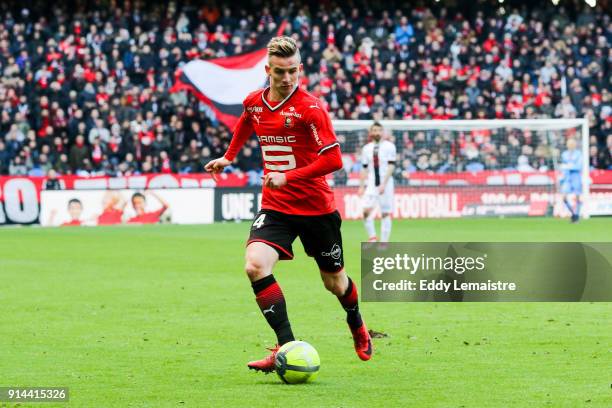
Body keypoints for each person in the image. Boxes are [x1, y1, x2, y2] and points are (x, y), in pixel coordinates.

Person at [205, 36, 372, 373]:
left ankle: (356, 321)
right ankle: (286, 347)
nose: (286, 78)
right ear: (267, 70)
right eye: (280, 71)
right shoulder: (254, 102)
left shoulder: (311, 108)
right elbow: (246, 123)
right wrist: (228, 157)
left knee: (335, 284)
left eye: (293, 71)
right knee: (255, 265)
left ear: (300, 69)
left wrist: (289, 176)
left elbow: (335, 160)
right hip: (276, 206)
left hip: (316, 208)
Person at [359, 122, 397, 242]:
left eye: (379, 130)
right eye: (374, 130)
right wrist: (361, 186)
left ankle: (384, 242)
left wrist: (384, 184)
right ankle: (373, 237)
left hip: (386, 184)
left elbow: (391, 166)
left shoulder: (390, 146)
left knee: (385, 213)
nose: (377, 133)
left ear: (383, 132)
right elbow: (364, 168)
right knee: (365, 211)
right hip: (371, 184)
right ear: (371, 133)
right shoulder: (366, 148)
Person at [560, 138, 583, 223]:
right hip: (567, 177)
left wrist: (569, 166)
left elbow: (579, 166)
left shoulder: (579, 154)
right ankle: (573, 214)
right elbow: (563, 166)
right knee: (564, 197)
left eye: (572, 144)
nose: (570, 145)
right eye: (569, 144)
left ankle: (576, 215)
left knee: (577, 197)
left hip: (575, 176)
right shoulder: (564, 154)